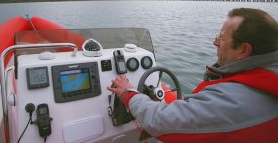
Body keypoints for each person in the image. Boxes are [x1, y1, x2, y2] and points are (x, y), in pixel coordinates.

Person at [107, 8, 278, 143]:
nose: (215, 42)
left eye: (221, 37)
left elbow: (159, 121)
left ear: (243, 50)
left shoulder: (234, 101)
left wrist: (128, 93)